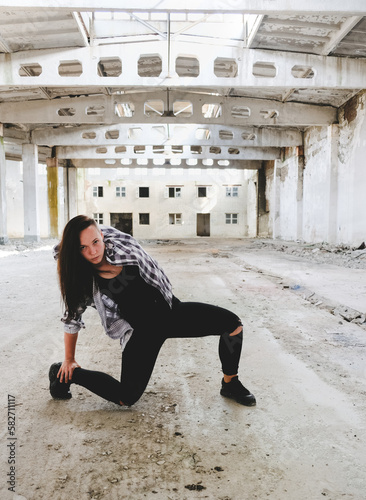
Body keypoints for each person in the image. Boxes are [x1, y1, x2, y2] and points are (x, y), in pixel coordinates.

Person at [49, 215, 256, 407]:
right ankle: (66, 374)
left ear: (102, 236)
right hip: (143, 334)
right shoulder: (84, 280)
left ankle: (230, 383)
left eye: (95, 242)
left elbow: (90, 230)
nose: (93, 251)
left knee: (233, 325)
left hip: (172, 312)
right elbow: (72, 319)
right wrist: (69, 359)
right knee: (126, 398)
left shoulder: (118, 242)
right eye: (83, 247)